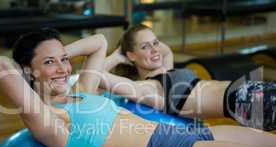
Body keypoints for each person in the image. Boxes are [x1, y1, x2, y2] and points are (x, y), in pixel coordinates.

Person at [0, 28, 276, 147]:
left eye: (65, 60)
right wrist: (32, 70)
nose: (64, 68)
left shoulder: (84, 91)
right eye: (50, 62)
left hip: (190, 135)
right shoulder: (48, 118)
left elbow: (100, 41)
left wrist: (58, 54)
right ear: (28, 69)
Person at [102, 24, 276, 131]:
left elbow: (167, 50)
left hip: (251, 92)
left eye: (155, 43)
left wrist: (141, 40)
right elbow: (95, 76)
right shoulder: (145, 89)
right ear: (131, 56)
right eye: (145, 47)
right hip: (247, 101)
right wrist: (117, 56)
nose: (155, 49)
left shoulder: (166, 69)